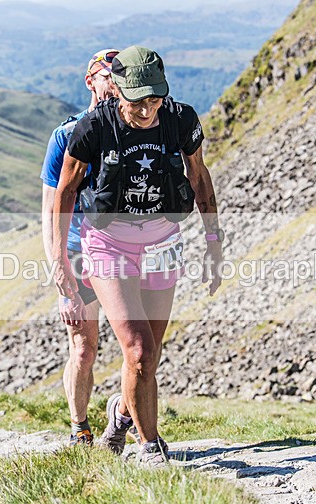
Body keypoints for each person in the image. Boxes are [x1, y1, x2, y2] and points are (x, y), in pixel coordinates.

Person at [52, 46, 224, 465]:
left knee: (149, 354)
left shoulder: (181, 119)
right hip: (108, 244)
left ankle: (119, 417)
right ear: (119, 90)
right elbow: (65, 194)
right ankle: (150, 448)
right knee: (139, 349)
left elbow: (199, 177)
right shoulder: (93, 127)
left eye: (155, 99)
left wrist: (213, 243)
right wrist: (60, 261)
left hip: (164, 240)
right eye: (137, 101)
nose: (147, 110)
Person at [41, 48, 120, 445]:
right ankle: (79, 428)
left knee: (135, 345)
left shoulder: (135, 131)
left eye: (122, 78)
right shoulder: (65, 135)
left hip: (122, 252)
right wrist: (61, 280)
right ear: (90, 81)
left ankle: (124, 419)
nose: (115, 85)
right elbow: (49, 213)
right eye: (108, 77)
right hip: (77, 253)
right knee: (84, 348)